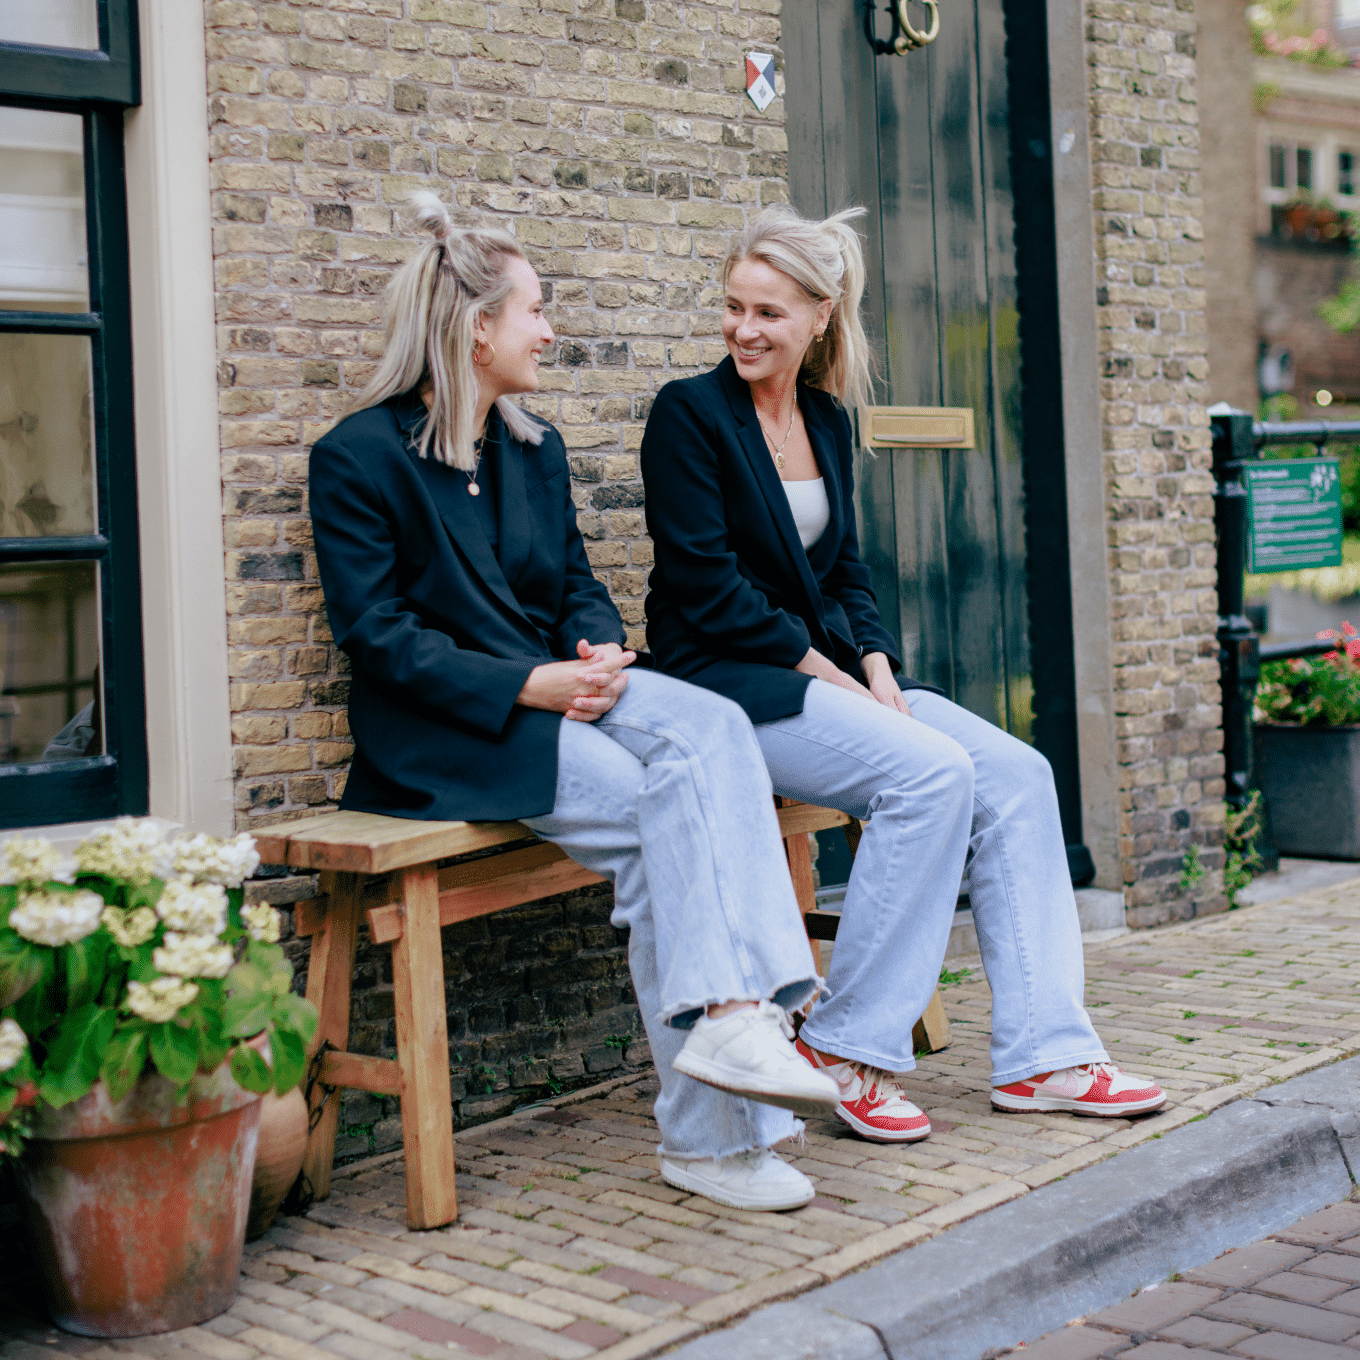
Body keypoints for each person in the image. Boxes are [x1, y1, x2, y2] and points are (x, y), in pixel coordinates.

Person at [308, 193, 843, 1212]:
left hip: (557, 693)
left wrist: (594, 643)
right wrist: (529, 681)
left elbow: (570, 582)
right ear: (478, 329)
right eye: (535, 312)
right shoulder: (359, 459)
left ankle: (755, 1008)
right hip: (450, 732)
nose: (548, 331)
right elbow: (380, 642)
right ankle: (717, 1114)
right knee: (658, 816)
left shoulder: (531, 447)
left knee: (712, 722)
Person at [640, 204, 1166, 1144]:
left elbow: (846, 571)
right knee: (927, 771)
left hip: (830, 677)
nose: (744, 330)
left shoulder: (826, 420)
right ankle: (845, 1049)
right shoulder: (689, 414)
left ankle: (1045, 1053)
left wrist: (877, 668)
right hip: (732, 685)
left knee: (1018, 774)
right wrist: (839, 684)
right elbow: (708, 591)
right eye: (734, 308)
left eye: (768, 313)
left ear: (820, 316)